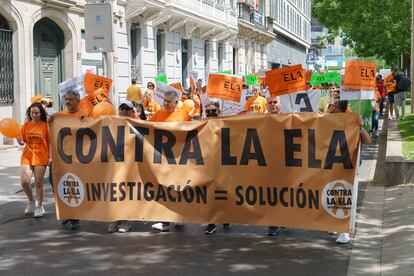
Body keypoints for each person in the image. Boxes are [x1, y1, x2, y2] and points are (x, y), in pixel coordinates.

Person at [150, 90, 191, 232]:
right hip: (161, 158)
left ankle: (178, 217)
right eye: (164, 101)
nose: (165, 103)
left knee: (177, 187)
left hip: (179, 158)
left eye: (169, 101)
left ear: (176, 102)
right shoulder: (158, 114)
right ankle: (165, 221)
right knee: (164, 187)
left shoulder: (183, 115)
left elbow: (192, 133)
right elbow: (146, 128)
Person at [49, 90, 88, 230]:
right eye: (66, 99)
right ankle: (66, 211)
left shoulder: (84, 115)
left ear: (78, 101)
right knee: (54, 182)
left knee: (72, 186)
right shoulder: (59, 116)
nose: (68, 102)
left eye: (71, 99)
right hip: (60, 158)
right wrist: (51, 121)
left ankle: (74, 218)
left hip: (77, 159)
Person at [333, 100, 371, 244]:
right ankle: (335, 224)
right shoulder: (330, 122)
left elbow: (368, 141)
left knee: (345, 195)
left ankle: (344, 230)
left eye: (336, 108)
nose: (334, 111)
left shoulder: (353, 123)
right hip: (332, 166)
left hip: (350, 167)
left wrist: (360, 128)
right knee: (333, 194)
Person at [17, 102, 50, 218]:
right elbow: (22, 141)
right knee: (24, 182)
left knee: (38, 182)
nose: (34, 115)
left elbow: (50, 142)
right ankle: (32, 201)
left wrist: (51, 157)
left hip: (41, 156)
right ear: (29, 113)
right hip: (27, 156)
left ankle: (40, 206)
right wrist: (18, 138)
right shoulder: (26, 125)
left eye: (36, 113)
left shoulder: (46, 125)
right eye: (32, 113)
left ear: (40, 113)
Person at [203, 101, 231, 234]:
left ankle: (225, 217)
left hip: (224, 166)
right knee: (210, 194)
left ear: (219, 112)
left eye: (213, 111)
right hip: (207, 166)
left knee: (224, 193)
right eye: (207, 111)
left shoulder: (226, 123)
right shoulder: (200, 125)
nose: (210, 114)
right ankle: (211, 223)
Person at [265, 95, 283, 236]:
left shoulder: (290, 118)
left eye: (275, 102)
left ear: (280, 104)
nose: (272, 105)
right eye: (269, 103)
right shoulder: (261, 121)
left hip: (286, 162)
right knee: (273, 192)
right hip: (268, 163)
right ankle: (273, 222)